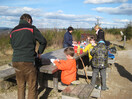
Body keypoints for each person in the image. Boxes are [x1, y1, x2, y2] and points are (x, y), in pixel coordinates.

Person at [10, 13, 47, 99]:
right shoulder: (31, 28)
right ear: (29, 20)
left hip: (15, 61)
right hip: (28, 61)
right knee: (32, 86)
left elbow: (13, 45)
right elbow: (43, 41)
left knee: (20, 86)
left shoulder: (13, 31)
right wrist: (39, 53)